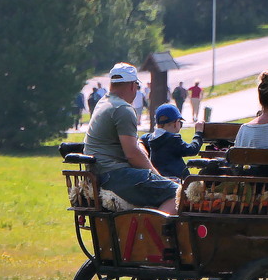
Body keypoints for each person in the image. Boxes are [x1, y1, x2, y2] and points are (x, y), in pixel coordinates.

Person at [83, 63, 179, 214]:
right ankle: (154, 234)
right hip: (115, 175)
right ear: (133, 86)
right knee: (179, 193)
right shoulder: (123, 109)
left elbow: (133, 145)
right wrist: (157, 176)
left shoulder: (104, 103)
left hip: (101, 173)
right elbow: (132, 153)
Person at [139, 104, 205, 179]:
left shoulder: (151, 139)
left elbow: (143, 138)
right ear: (175, 123)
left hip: (159, 178)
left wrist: (140, 143)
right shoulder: (173, 139)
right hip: (176, 179)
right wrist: (198, 133)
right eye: (180, 122)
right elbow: (192, 150)